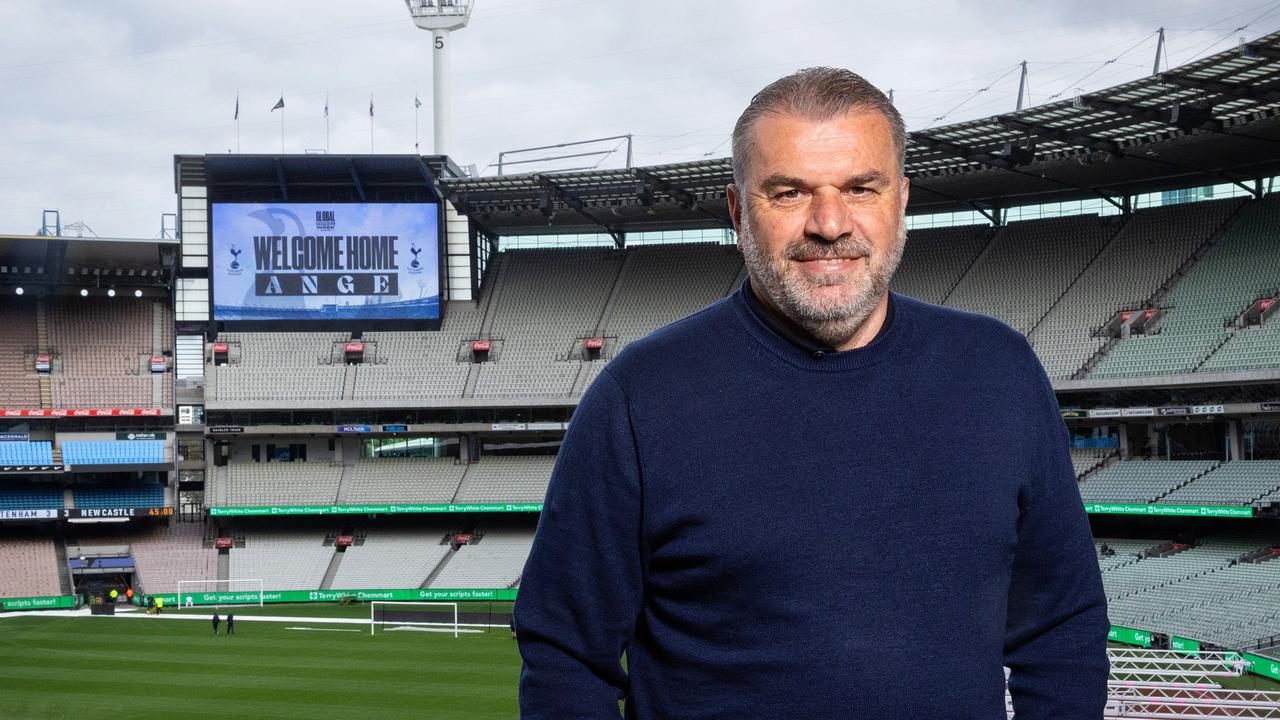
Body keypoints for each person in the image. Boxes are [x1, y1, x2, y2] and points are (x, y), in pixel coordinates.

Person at [514, 67, 1109, 719]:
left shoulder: (1000, 370)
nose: (829, 223)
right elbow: (566, 661)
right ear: (739, 210)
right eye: (790, 192)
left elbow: (1062, 631)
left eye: (861, 187)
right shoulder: (638, 397)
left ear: (900, 200)